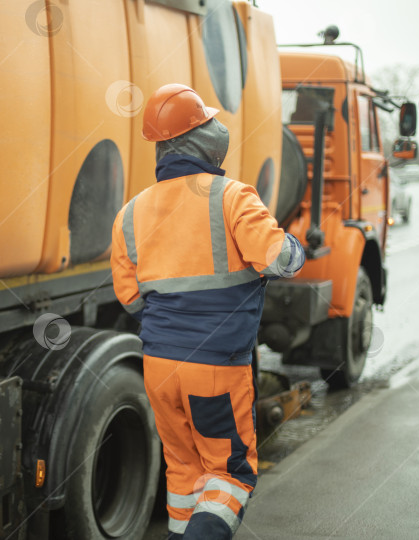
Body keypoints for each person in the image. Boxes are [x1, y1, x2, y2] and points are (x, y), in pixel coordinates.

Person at [110, 84, 305, 540]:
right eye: (208, 123)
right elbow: (279, 259)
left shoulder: (130, 213)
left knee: (183, 472)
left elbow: (130, 298)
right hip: (216, 369)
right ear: (200, 139)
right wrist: (299, 249)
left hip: (159, 367)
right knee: (231, 474)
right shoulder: (232, 196)